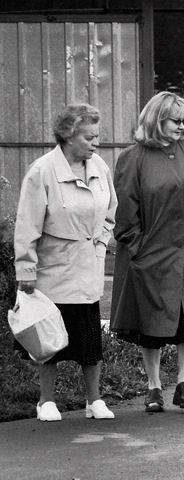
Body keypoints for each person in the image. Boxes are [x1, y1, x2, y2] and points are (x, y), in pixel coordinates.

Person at [110, 91, 184, 412]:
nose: (182, 126)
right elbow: (125, 214)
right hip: (152, 253)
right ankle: (154, 386)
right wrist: (140, 250)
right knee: (152, 320)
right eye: (177, 120)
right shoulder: (132, 159)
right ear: (157, 120)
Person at [13, 104, 117, 421]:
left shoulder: (100, 167)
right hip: (52, 270)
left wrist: (100, 243)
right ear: (68, 136)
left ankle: (94, 400)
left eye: (97, 136)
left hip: (87, 268)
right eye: (89, 137)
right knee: (49, 339)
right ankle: (46, 401)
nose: (95, 143)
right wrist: (25, 270)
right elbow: (27, 226)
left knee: (89, 340)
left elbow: (111, 211)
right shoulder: (42, 172)